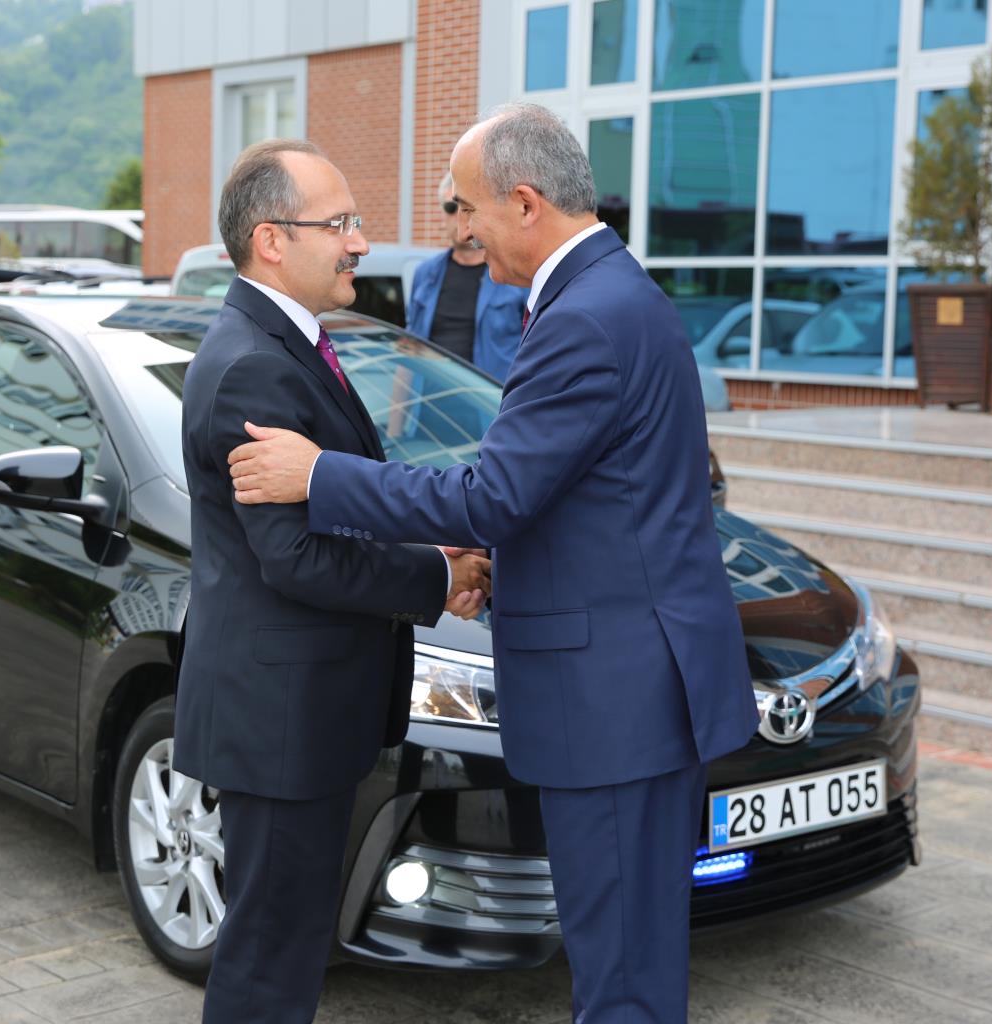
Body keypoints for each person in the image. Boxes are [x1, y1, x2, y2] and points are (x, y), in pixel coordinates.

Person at [225, 104, 760, 1023]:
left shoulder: (587, 316)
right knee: (627, 962)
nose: (462, 233)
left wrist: (317, 475)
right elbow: (596, 504)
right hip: (631, 688)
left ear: (524, 201)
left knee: (623, 983)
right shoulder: (611, 293)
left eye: (468, 208)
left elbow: (495, 496)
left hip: (616, 701)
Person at [175, 138, 490, 1024]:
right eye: (340, 223)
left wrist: (428, 545)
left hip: (302, 714)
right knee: (269, 963)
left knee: (288, 948)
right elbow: (296, 556)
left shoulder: (287, 343)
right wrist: (433, 576)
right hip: (281, 721)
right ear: (272, 240)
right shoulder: (255, 364)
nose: (361, 242)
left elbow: (333, 509)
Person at [403, 172, 528, 379]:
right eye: (450, 207)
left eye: (466, 207)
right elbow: (409, 348)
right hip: (430, 397)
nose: (458, 216)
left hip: (491, 397)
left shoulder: (516, 275)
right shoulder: (425, 274)